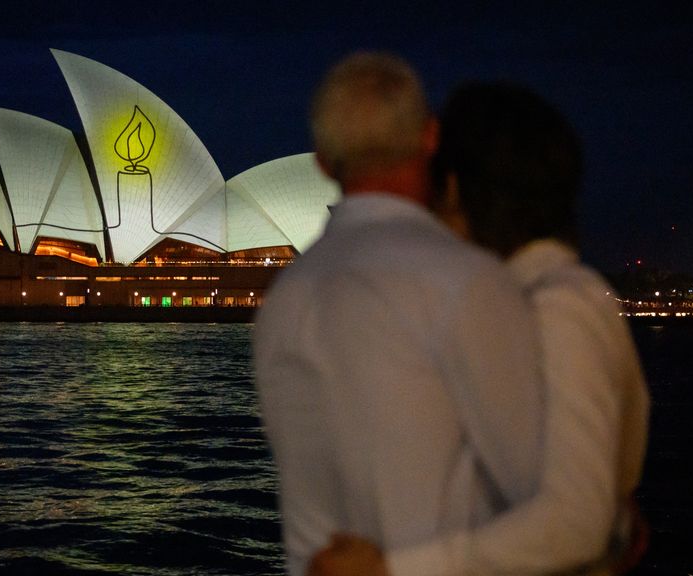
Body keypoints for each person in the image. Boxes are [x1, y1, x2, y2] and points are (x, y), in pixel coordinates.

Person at [306, 82, 651, 576]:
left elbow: (578, 520)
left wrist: (390, 568)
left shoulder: (556, 306)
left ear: (453, 189)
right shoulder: (536, 300)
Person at [253, 54, 546, 576]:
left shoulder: (284, 299)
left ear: (321, 161)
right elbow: (541, 496)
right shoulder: (466, 279)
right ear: (430, 138)